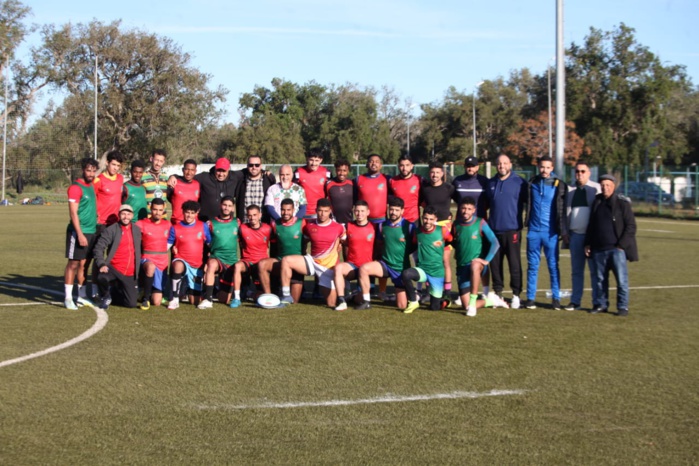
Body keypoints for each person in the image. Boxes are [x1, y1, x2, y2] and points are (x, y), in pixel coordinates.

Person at [585, 174, 638, 316]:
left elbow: (631, 226)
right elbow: (591, 225)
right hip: (598, 249)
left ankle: (622, 307)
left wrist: (621, 245)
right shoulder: (597, 201)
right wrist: (588, 243)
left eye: (608, 185)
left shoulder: (622, 203)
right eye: (602, 185)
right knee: (600, 280)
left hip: (616, 249)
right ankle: (601, 304)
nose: (605, 188)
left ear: (613, 186)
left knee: (621, 280)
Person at [279, 199, 345, 306]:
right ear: (316, 210)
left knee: (331, 304)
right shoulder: (309, 226)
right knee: (286, 260)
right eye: (320, 211)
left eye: (325, 211)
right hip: (312, 262)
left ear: (330, 211)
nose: (322, 214)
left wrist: (341, 245)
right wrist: (303, 254)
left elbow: (346, 242)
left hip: (327, 268)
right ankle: (286, 295)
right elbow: (304, 241)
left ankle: (343, 293)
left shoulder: (339, 228)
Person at [354, 197, 416, 311]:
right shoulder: (382, 225)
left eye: (397, 210)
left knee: (402, 305)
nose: (393, 212)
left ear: (402, 211)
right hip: (384, 265)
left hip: (400, 269)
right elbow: (378, 243)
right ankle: (367, 301)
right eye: (391, 209)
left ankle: (412, 294)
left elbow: (416, 245)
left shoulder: (410, 226)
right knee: (364, 268)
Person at [523, 155, 568, 310]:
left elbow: (563, 208)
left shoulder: (558, 185)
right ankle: (530, 298)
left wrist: (562, 229)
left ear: (552, 168)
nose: (544, 170)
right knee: (532, 266)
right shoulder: (532, 183)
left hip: (551, 233)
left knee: (553, 266)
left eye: (548, 167)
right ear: (538, 166)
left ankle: (556, 298)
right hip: (534, 232)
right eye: (542, 167)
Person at [486, 154, 528, 309]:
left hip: (512, 230)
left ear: (510, 164)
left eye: (505, 163)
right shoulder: (491, 183)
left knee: (514, 264)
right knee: (495, 264)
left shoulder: (520, 183)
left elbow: (530, 203)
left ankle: (516, 295)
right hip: (494, 231)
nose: (502, 166)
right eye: (499, 163)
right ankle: (498, 293)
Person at [451, 197, 506, 317]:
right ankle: (492, 301)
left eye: (469, 209)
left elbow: (495, 242)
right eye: (463, 208)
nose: (466, 211)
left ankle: (472, 300)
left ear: (474, 210)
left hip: (477, 266)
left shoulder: (480, 222)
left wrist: (486, 260)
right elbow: (454, 242)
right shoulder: (456, 225)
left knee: (475, 264)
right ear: (459, 209)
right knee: (465, 307)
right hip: (461, 267)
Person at [451, 155, 492, 299]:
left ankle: (486, 292)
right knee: (462, 257)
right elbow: (458, 200)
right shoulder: (457, 181)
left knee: (482, 259)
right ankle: (464, 290)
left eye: (473, 166)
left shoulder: (484, 182)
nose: (470, 168)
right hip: (462, 226)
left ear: (477, 167)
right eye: (468, 166)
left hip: (481, 226)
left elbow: (488, 201)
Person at [400, 206, 453, 314]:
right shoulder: (417, 232)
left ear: (436, 220)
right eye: (425, 218)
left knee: (434, 307)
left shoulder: (442, 230)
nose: (427, 222)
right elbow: (414, 244)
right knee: (406, 274)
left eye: (431, 219)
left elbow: (450, 239)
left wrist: (440, 247)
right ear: (422, 217)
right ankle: (413, 301)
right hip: (422, 271)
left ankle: (446, 301)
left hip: (436, 274)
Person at [564, 160, 601, 311]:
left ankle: (597, 302)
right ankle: (575, 301)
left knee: (594, 272)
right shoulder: (570, 189)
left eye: (583, 171)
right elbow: (565, 214)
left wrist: (594, 237)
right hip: (575, 237)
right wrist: (565, 232)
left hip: (591, 238)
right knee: (576, 271)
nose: (579, 174)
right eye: (577, 171)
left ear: (589, 173)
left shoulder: (596, 189)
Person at [63, 157, 99, 310]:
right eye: (88, 170)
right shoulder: (75, 188)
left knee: (84, 265)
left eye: (93, 171)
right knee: (73, 263)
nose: (91, 173)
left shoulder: (91, 186)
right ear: (83, 170)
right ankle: (68, 298)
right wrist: (80, 234)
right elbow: (73, 213)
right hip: (79, 232)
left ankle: (82, 296)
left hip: (92, 231)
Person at [92, 204, 142, 310]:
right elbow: (98, 248)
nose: (126, 217)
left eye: (128, 214)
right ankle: (106, 295)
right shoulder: (111, 230)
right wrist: (101, 264)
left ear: (132, 215)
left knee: (131, 304)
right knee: (102, 277)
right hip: (114, 268)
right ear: (119, 215)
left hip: (129, 272)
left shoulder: (137, 230)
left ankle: (114, 291)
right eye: (123, 214)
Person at [258, 198, 306, 303]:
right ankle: (268, 295)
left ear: (293, 210)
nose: (285, 212)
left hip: (297, 265)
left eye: (288, 210)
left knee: (294, 301)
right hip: (280, 262)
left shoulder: (302, 223)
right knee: (262, 264)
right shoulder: (275, 224)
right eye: (283, 210)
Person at [419, 161, 456, 299]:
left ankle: (447, 292)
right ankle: (429, 291)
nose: (435, 175)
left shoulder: (449, 188)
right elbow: (422, 203)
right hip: (430, 227)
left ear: (442, 174)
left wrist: (450, 218)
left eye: (437, 172)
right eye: (432, 172)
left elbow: (460, 201)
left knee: (445, 261)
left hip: (445, 228)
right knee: (430, 261)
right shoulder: (426, 188)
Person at [166, 200, 211, 309]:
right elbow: (167, 245)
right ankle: (174, 299)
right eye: (187, 212)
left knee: (194, 301)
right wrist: (171, 249)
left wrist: (208, 262)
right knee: (177, 266)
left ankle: (185, 286)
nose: (189, 215)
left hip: (196, 265)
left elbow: (210, 244)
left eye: (192, 212)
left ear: (196, 213)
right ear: (183, 212)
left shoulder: (203, 226)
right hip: (181, 260)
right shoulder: (175, 227)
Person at [332, 200, 376, 311]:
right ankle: (341, 301)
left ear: (368, 212)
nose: (359, 214)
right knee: (338, 268)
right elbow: (340, 240)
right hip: (352, 266)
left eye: (362, 211)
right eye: (357, 211)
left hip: (367, 269)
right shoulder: (348, 226)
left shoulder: (375, 227)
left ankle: (354, 295)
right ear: (353, 212)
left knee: (360, 300)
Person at [198, 196, 240, 309]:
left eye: (229, 206)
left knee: (223, 299)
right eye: (224, 205)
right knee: (211, 265)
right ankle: (208, 298)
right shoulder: (210, 223)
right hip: (216, 258)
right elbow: (204, 242)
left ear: (233, 208)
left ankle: (215, 287)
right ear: (220, 205)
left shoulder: (237, 222)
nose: (226, 208)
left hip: (231, 262)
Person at [228, 204, 272, 308]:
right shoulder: (242, 228)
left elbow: (273, 245)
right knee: (238, 266)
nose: (252, 218)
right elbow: (235, 243)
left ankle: (249, 293)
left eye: (255, 215)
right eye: (250, 215)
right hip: (247, 262)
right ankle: (237, 298)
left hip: (261, 265)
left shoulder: (268, 229)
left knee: (262, 297)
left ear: (260, 215)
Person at [136, 198, 170, 309]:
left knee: (157, 302)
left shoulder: (168, 225)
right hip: (147, 258)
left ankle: (145, 290)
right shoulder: (141, 224)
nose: (157, 213)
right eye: (155, 209)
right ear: (150, 208)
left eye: (160, 210)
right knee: (150, 267)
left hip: (162, 262)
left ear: (164, 209)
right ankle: (145, 299)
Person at [232, 155, 276, 223]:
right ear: (247, 166)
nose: (254, 167)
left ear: (261, 166)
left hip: (262, 225)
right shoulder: (241, 181)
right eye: (251, 165)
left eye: (257, 165)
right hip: (245, 224)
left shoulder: (268, 181)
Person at [294, 148, 331, 220]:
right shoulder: (298, 172)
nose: (313, 163)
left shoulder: (326, 172)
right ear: (307, 159)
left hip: (320, 213)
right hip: (302, 212)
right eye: (311, 160)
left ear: (321, 160)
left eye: (316, 160)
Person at [355, 153, 390, 224]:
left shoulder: (387, 179)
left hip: (382, 220)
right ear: (367, 164)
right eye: (371, 161)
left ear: (380, 165)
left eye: (377, 162)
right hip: (364, 220)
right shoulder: (358, 179)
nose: (374, 163)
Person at [94, 150, 125, 228]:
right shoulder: (98, 180)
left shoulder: (120, 178)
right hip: (102, 223)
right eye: (113, 164)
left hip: (116, 221)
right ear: (107, 163)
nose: (115, 168)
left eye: (118, 165)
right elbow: (91, 199)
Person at [388, 155, 422, 224]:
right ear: (398, 166)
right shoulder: (392, 181)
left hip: (414, 219)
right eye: (402, 165)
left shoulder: (419, 180)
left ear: (412, 166)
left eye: (407, 165)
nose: (404, 168)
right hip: (398, 220)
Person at [167, 159, 200, 225]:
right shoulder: (174, 183)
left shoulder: (198, 184)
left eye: (192, 170)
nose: (189, 172)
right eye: (187, 169)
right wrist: (172, 176)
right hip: (177, 224)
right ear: (183, 170)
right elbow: (169, 197)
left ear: (195, 171)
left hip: (193, 224)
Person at [325, 159, 355, 225]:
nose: (341, 173)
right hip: (333, 221)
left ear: (348, 171)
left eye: (344, 171)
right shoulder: (328, 184)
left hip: (350, 221)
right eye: (339, 170)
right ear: (335, 170)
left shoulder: (352, 184)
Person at [142, 149, 170, 213]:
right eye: (156, 160)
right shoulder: (142, 177)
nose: (158, 163)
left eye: (161, 161)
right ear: (151, 159)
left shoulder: (166, 178)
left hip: (162, 218)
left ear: (164, 162)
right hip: (147, 217)